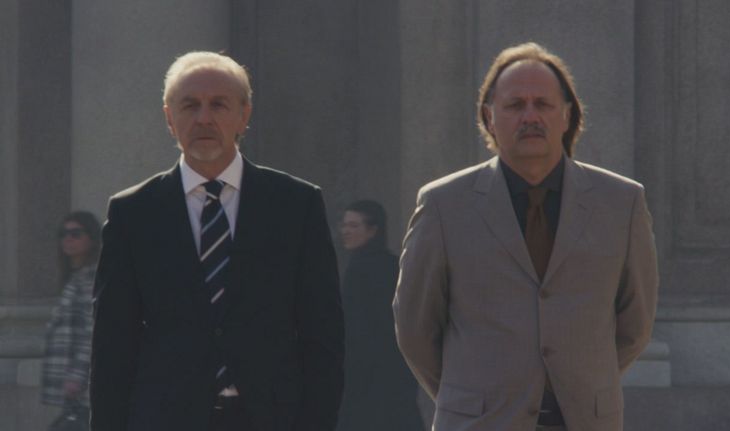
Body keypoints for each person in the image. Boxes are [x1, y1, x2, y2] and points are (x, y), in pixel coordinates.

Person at [393, 42, 659, 431]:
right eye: (515, 105)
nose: (530, 116)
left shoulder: (621, 203)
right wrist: (469, 397)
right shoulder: (443, 206)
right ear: (489, 117)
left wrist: (577, 383)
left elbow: (636, 324)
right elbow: (415, 329)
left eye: (543, 104)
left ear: (566, 115)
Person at [89, 51, 344, 431]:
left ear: (244, 115)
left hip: (273, 417)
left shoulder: (295, 204)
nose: (203, 118)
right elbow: (112, 343)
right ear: (169, 118)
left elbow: (322, 333)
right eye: (189, 105)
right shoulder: (134, 212)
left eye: (218, 105)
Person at [335, 200, 422, 431]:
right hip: (377, 371)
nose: (346, 231)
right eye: (344, 225)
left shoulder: (371, 269)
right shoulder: (367, 265)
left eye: (354, 225)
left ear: (373, 230)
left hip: (376, 371)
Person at [41, 211, 101, 422]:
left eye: (76, 234)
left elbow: (92, 332)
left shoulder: (90, 279)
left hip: (83, 382)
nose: (68, 239)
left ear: (91, 239)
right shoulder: (74, 278)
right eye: (63, 234)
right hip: (71, 380)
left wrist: (77, 375)